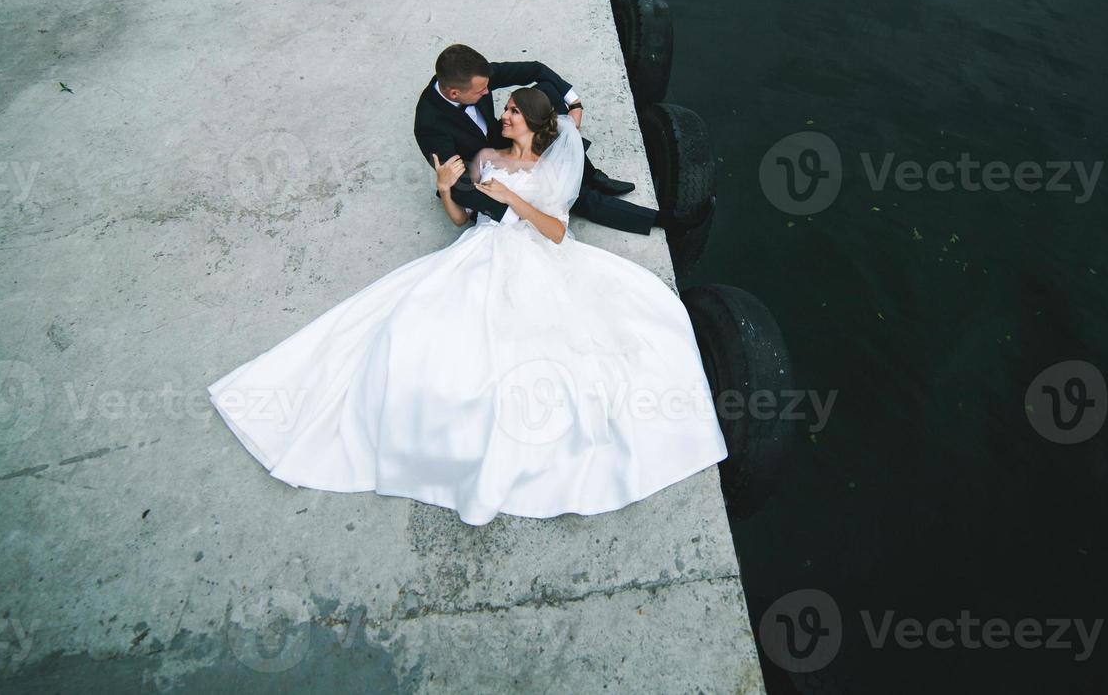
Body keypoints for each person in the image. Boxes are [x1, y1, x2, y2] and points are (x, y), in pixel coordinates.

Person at [208, 87, 728, 525]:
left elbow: (555, 232)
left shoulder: (550, 170)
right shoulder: (484, 160)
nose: (503, 117)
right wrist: (445, 191)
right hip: (479, 249)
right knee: (417, 329)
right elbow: (461, 221)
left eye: (513, 113)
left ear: (535, 125)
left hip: (533, 252)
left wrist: (511, 200)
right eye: (504, 111)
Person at [413, 43, 659, 235]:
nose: (488, 92)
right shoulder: (429, 125)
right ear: (454, 93)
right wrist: (516, 213)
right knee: (571, 195)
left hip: (497, 140)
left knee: (547, 93)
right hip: (481, 173)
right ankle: (653, 219)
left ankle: (589, 173)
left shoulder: (475, 76)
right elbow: (459, 182)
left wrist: (574, 103)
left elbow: (535, 69)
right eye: (481, 92)